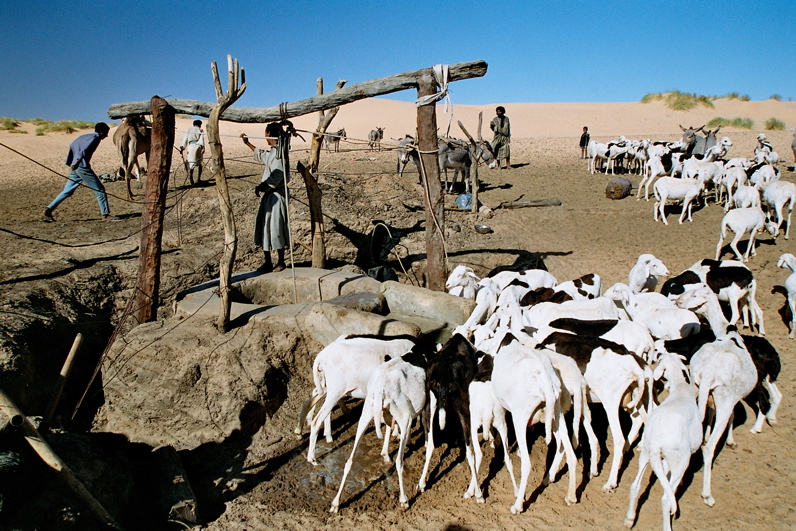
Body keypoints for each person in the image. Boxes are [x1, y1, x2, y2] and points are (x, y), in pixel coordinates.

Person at [241, 122, 291, 273]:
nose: (265, 138)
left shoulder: (280, 154)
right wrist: (248, 143)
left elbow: (276, 175)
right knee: (265, 227)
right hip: (269, 197)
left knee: (276, 227)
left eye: (266, 135)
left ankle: (281, 262)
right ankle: (268, 262)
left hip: (276, 196)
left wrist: (262, 186)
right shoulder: (273, 152)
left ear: (270, 134)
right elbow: (262, 155)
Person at [44, 122, 115, 222]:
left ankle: (49, 209)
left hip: (74, 168)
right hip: (82, 167)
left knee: (67, 191)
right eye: (106, 133)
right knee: (100, 190)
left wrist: (72, 162)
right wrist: (77, 162)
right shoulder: (96, 138)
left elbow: (73, 145)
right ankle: (105, 215)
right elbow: (83, 151)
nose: (107, 135)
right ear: (101, 131)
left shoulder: (84, 137)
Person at [179, 119, 206, 184]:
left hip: (191, 146)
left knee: (191, 163)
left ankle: (191, 177)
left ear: (193, 124)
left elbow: (185, 138)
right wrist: (203, 147)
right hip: (198, 146)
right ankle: (199, 178)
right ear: (200, 124)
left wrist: (182, 148)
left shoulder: (189, 129)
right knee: (199, 163)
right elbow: (201, 139)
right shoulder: (200, 130)